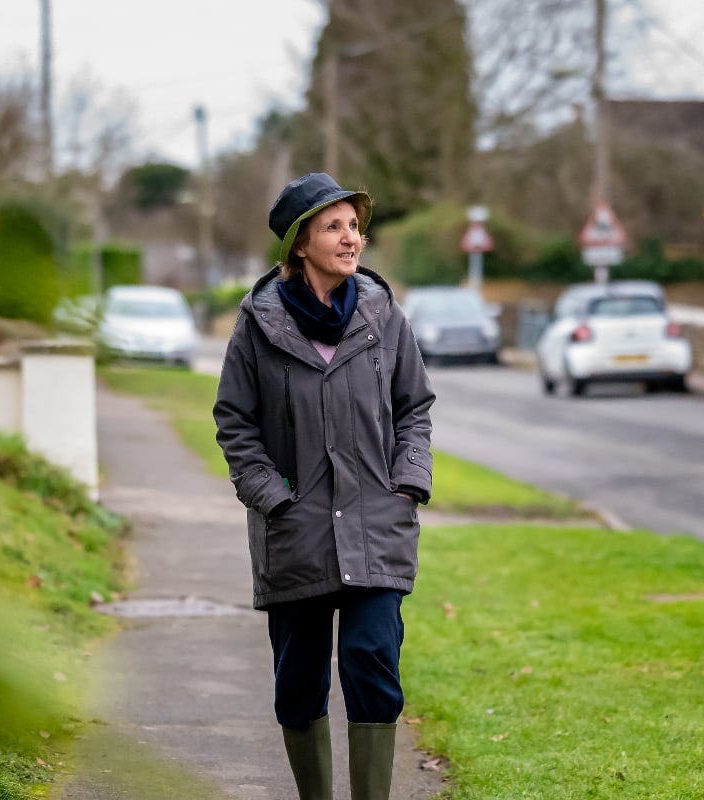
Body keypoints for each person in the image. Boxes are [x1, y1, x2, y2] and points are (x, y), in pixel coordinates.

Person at [212, 173, 436, 800]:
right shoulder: (258, 326)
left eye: (355, 226)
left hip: (375, 525)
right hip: (297, 530)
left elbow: (414, 405)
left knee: (372, 665)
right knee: (300, 682)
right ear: (300, 243)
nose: (351, 238)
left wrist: (408, 481)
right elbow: (235, 420)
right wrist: (272, 497)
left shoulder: (383, 314)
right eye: (334, 226)